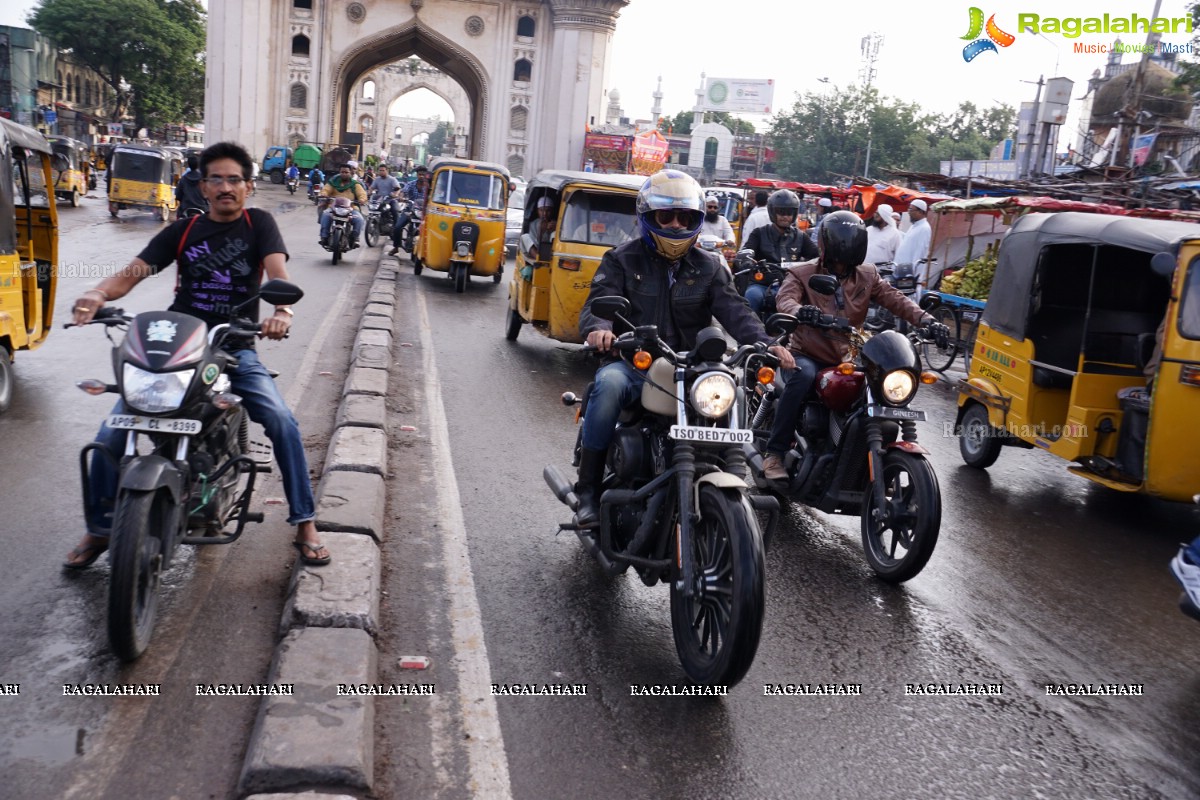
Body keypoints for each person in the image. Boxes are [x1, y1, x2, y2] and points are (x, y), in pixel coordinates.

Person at [64, 141, 330, 569]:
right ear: (202, 187)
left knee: (281, 421)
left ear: (247, 186)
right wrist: (96, 294)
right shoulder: (182, 231)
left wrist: (282, 310)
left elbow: (278, 271)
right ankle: (99, 529)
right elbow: (133, 273)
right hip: (176, 346)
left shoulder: (258, 224)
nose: (225, 187)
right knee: (112, 432)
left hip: (233, 345)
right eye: (216, 179)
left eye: (234, 179)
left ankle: (305, 521)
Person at [575, 170, 795, 526]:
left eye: (686, 218)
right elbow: (596, 303)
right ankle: (587, 490)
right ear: (648, 218)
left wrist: (767, 344)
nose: (676, 225)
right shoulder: (622, 259)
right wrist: (601, 329)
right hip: (637, 364)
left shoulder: (708, 266)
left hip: (692, 369)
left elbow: (736, 310)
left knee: (733, 393)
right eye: (667, 216)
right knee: (608, 386)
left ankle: (724, 481)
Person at [760, 210, 948, 481]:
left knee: (883, 386)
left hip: (848, 355)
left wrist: (928, 321)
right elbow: (785, 299)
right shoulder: (802, 273)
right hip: (807, 353)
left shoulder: (868, 275)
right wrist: (801, 311)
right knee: (804, 378)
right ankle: (775, 453)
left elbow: (896, 299)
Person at [739, 189, 819, 315]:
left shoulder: (801, 237)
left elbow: (817, 256)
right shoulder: (759, 233)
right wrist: (746, 260)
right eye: (781, 212)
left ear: (794, 214)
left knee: (813, 304)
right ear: (772, 212)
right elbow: (747, 251)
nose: (785, 216)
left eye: (789, 212)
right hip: (763, 284)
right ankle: (748, 333)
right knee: (752, 296)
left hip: (793, 286)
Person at [319, 163, 367, 248]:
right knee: (325, 215)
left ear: (350, 173)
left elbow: (362, 194)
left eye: (346, 172)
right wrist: (324, 194)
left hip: (351, 208)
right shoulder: (333, 182)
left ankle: (354, 238)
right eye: (342, 172)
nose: (344, 174)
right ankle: (324, 237)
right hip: (334, 207)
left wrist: (362, 199)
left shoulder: (355, 184)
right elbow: (326, 190)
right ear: (339, 172)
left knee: (359, 219)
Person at [894, 198, 933, 296]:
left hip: (910, 276)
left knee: (909, 304)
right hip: (902, 273)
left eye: (911, 210)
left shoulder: (924, 228)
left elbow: (920, 253)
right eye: (909, 210)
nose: (909, 212)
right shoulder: (914, 226)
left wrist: (913, 275)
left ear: (921, 212)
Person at [389, 165, 430, 256]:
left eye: (423, 175)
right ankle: (396, 247)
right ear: (417, 175)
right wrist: (401, 197)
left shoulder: (429, 186)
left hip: (423, 213)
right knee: (397, 227)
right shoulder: (411, 184)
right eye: (419, 174)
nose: (421, 176)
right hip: (410, 210)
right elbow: (403, 191)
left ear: (426, 175)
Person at [369, 164, 402, 230]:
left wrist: (395, 194)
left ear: (387, 170)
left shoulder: (392, 179)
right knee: (371, 209)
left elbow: (398, 188)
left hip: (390, 200)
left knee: (395, 211)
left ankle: (397, 229)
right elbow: (371, 188)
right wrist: (369, 192)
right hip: (380, 200)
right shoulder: (377, 179)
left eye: (383, 170)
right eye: (380, 170)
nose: (381, 172)